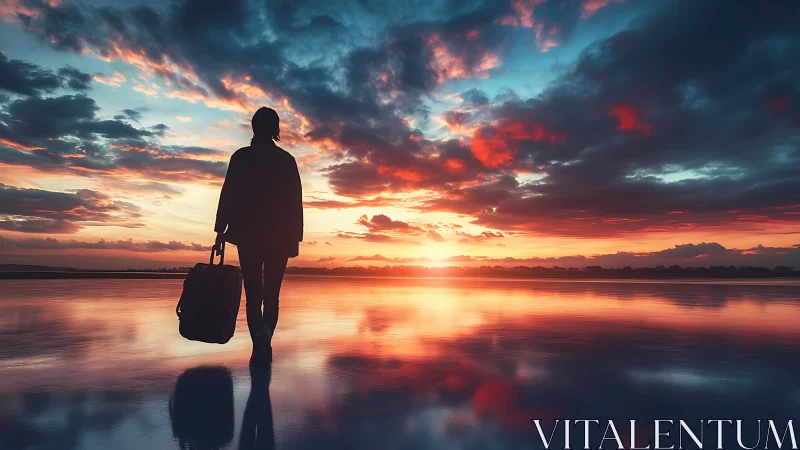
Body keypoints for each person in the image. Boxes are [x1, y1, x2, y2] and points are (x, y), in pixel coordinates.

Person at [213, 107, 303, 367]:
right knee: (272, 295)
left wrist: (220, 230)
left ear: (253, 128)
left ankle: (258, 344)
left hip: (248, 236)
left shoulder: (241, 157)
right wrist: (295, 238)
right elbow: (294, 202)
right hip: (279, 238)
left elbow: (227, 194)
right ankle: (266, 337)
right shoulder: (286, 160)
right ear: (275, 130)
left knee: (254, 295)